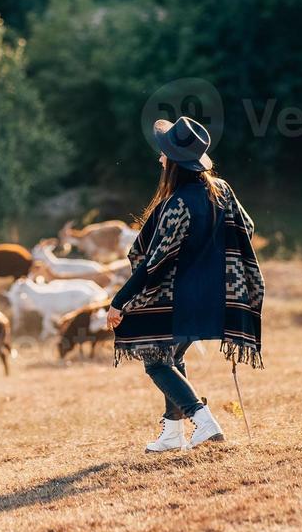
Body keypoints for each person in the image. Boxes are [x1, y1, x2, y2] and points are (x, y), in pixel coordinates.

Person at [106, 116, 264, 452]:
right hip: (218, 296)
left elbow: (155, 262)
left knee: (156, 360)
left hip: (181, 299)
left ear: (175, 162)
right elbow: (245, 227)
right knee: (170, 356)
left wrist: (120, 301)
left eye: (164, 154)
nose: (160, 158)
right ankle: (173, 433)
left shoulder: (178, 204)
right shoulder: (222, 190)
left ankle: (203, 420)